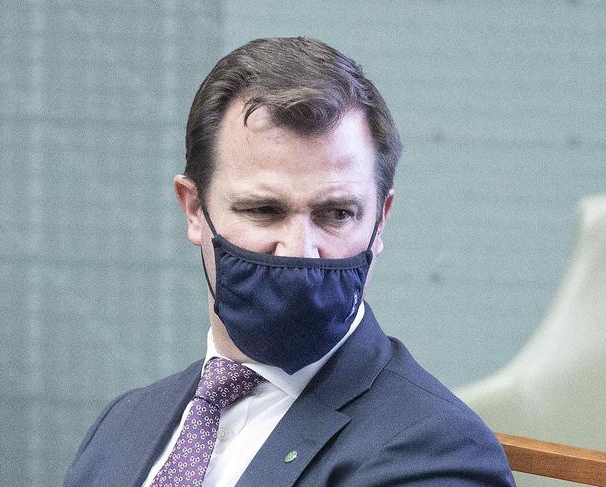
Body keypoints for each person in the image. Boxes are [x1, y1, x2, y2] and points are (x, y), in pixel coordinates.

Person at [64, 37, 515, 486]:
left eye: (337, 213)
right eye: (263, 210)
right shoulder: (122, 426)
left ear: (380, 221)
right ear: (194, 209)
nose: (299, 250)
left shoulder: (439, 453)